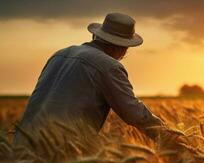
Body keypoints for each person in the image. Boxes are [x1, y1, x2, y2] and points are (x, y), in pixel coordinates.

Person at [14, 13, 165, 144]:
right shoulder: (109, 66)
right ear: (120, 48)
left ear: (96, 36)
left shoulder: (59, 54)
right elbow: (134, 113)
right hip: (61, 151)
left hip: (22, 144)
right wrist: (169, 136)